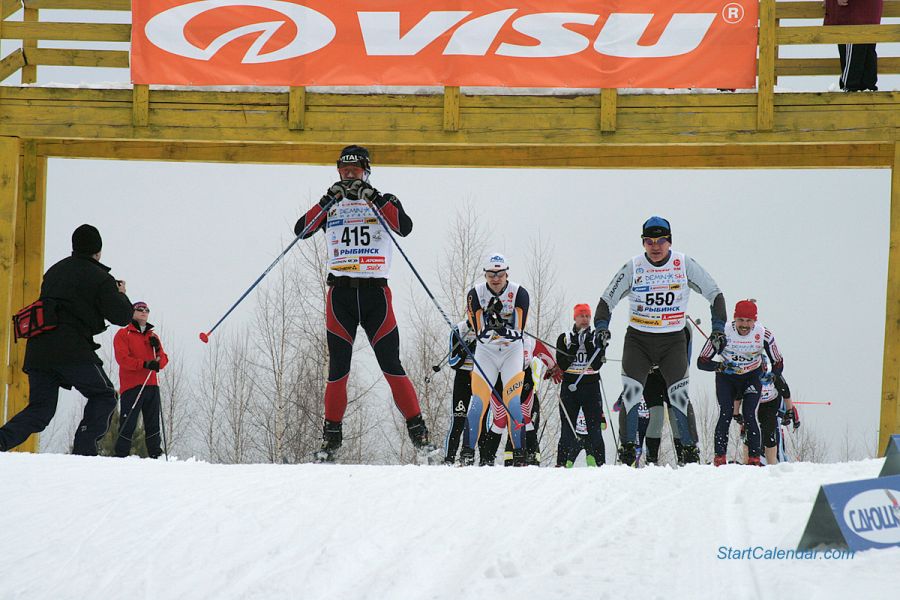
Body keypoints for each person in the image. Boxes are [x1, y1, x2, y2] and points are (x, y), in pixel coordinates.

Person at [293, 145, 436, 462]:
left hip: (374, 294)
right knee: (337, 369)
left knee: (391, 365)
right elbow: (300, 230)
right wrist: (325, 200)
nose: (349, 175)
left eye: (355, 169)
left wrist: (372, 195)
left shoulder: (383, 200)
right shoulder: (331, 204)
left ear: (366, 171)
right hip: (340, 294)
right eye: (344, 170)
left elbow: (404, 227)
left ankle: (420, 435)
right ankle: (330, 442)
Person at [594, 216, 726, 466]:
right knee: (631, 394)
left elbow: (715, 294)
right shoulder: (633, 266)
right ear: (643, 243)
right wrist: (602, 328)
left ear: (670, 241)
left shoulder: (683, 264)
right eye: (649, 241)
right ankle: (628, 450)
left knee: (679, 397)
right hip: (639, 341)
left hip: (672, 341)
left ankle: (689, 451)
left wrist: (718, 329)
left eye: (661, 241)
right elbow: (605, 302)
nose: (655, 247)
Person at [0, 225, 132, 455]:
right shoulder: (101, 278)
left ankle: (1, 440)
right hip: (72, 349)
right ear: (98, 250)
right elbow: (121, 316)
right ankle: (84, 452)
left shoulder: (54, 271)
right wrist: (120, 294)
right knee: (104, 395)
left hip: (39, 349)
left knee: (40, 409)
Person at [460, 253, 531, 466]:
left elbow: (519, 330)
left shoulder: (519, 293)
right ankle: (466, 454)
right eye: (491, 274)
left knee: (513, 402)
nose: (496, 278)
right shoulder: (476, 294)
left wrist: (502, 327)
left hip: (511, 352)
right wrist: (491, 324)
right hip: (487, 353)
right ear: (485, 274)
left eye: (500, 274)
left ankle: (520, 454)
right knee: (478, 402)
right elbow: (480, 332)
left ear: (506, 273)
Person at [697, 299, 785, 466]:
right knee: (726, 413)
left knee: (750, 414)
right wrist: (720, 366)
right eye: (741, 320)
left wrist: (773, 375)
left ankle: (754, 459)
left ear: (755, 320)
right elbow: (701, 362)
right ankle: (719, 458)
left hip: (751, 376)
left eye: (749, 321)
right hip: (727, 378)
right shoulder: (723, 332)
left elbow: (778, 361)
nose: (744, 325)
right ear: (734, 318)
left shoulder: (763, 334)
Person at [113, 301, 169, 458]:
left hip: (151, 384)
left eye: (147, 310)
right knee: (129, 420)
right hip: (132, 385)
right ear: (132, 312)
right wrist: (144, 364)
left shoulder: (153, 336)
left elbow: (163, 359)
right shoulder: (124, 334)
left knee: (152, 422)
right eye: (140, 309)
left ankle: (155, 454)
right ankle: (121, 454)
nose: (144, 312)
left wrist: (157, 356)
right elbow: (123, 359)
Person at [555, 304, 607, 467]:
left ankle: (601, 465)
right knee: (567, 430)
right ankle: (561, 465)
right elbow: (562, 364)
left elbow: (597, 364)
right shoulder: (564, 338)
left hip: (591, 387)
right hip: (570, 387)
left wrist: (591, 344)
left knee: (595, 430)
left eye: (587, 316)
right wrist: (576, 344)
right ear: (575, 318)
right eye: (581, 316)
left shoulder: (596, 337)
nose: (584, 319)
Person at [824, 0, 883, 91]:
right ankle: (867, 88)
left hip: (854, 13)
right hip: (866, 12)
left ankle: (852, 89)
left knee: (854, 52)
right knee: (866, 51)